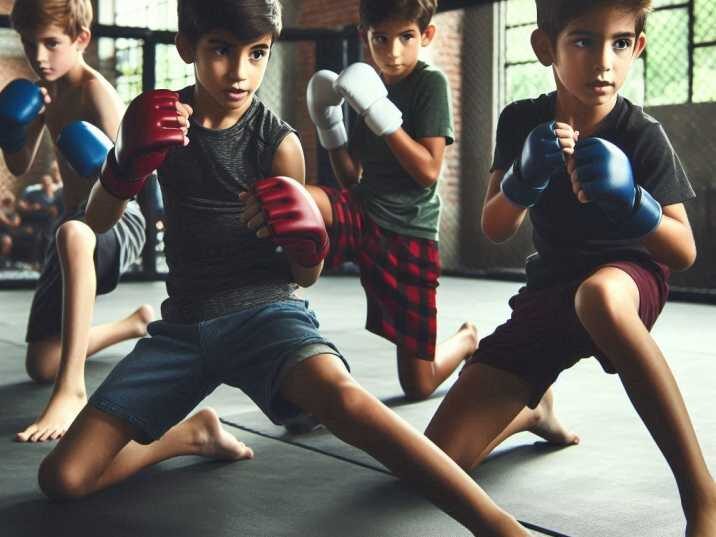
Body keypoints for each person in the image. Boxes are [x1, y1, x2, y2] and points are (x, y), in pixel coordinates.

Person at [36, 2, 533, 535]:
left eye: (257, 54)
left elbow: (303, 277)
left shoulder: (279, 143)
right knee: (63, 477)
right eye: (222, 51)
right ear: (187, 46)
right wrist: (125, 159)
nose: (241, 72)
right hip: (181, 331)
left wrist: (308, 243)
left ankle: (497, 524)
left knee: (348, 400)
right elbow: (95, 223)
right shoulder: (159, 122)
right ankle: (187, 436)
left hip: (268, 318)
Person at [425, 2, 716, 535]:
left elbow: (683, 250)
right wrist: (521, 179)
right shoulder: (521, 121)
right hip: (550, 290)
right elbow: (495, 226)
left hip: (627, 278)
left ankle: (704, 497)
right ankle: (533, 412)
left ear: (639, 48)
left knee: (598, 298)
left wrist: (634, 202)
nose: (604, 62)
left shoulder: (642, 133)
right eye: (584, 41)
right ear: (545, 48)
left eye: (621, 43)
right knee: (438, 460)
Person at [305, 0, 476, 401]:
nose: (393, 51)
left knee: (418, 384)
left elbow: (428, 171)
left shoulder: (429, 84)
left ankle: (467, 339)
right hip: (364, 212)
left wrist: (381, 112)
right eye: (381, 38)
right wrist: (328, 125)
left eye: (406, 37)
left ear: (426, 36)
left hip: (409, 231)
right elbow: (351, 178)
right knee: (298, 202)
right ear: (366, 37)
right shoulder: (366, 84)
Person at [0, 0, 153, 443]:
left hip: (119, 219)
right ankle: (133, 324)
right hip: (73, 224)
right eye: (30, 45)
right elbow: (20, 161)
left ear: (80, 39)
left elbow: (134, 176)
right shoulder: (43, 95)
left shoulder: (95, 92)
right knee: (40, 364)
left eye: (51, 44)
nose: (39, 57)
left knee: (71, 230)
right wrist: (12, 127)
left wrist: (103, 176)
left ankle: (73, 391)